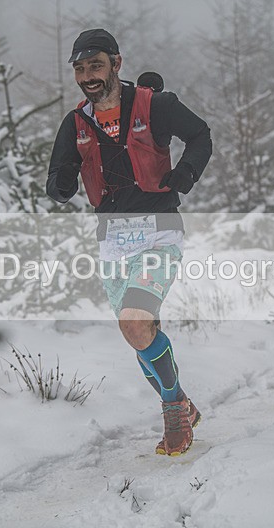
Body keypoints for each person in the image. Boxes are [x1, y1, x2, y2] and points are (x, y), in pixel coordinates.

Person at [46, 29, 212, 455]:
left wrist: (186, 174)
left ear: (116, 64)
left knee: (137, 323)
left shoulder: (155, 105)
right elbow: (57, 182)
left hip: (158, 229)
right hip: (113, 242)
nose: (88, 76)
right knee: (135, 332)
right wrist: (61, 184)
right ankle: (181, 405)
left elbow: (200, 135)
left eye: (95, 65)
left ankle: (174, 408)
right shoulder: (76, 123)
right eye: (80, 69)